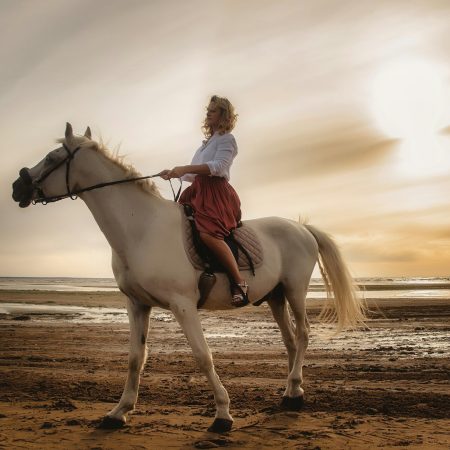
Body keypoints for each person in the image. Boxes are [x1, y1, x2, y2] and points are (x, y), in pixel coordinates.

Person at [159, 95, 248, 307]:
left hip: (216, 192)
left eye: (213, 110)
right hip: (198, 190)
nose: (208, 113)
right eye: (208, 110)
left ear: (223, 115)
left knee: (209, 234)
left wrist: (185, 168)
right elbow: (190, 176)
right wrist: (174, 173)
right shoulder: (204, 145)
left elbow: (218, 166)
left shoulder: (228, 139)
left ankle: (240, 282)